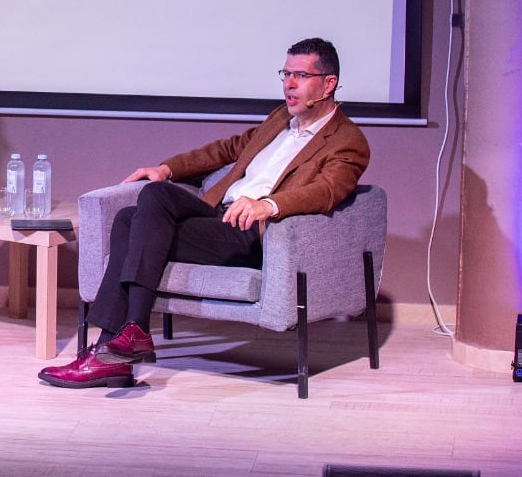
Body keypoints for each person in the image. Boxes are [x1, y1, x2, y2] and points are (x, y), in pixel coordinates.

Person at [39, 36, 369, 389]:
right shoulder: (279, 120)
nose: (289, 84)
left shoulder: (347, 140)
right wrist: (167, 169)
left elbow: (327, 191)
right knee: (148, 200)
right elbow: (227, 149)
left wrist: (268, 205)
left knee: (131, 223)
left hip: (253, 232)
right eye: (285, 74)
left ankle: (109, 348)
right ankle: (124, 342)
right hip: (219, 214)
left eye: (300, 76)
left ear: (328, 83)